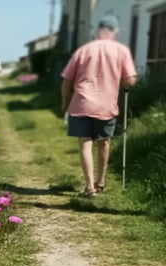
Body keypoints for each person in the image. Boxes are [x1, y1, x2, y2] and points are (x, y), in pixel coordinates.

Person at [61, 15, 137, 197]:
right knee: (104, 143)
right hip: (106, 104)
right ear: (115, 31)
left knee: (85, 144)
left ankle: (89, 187)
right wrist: (126, 85)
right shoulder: (121, 51)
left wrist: (65, 103)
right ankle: (101, 181)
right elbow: (130, 80)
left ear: (98, 30)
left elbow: (67, 80)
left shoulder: (84, 50)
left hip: (82, 103)